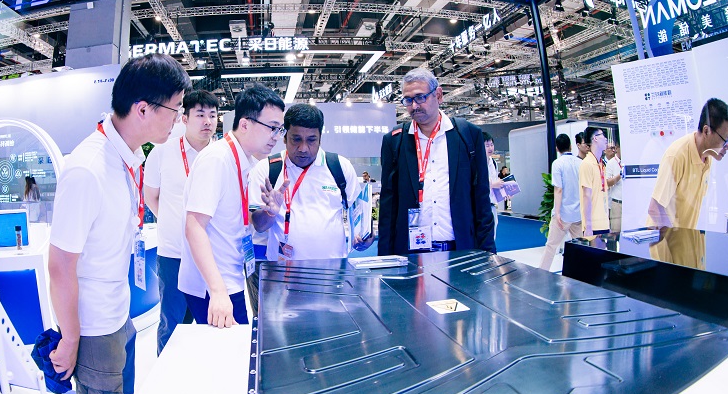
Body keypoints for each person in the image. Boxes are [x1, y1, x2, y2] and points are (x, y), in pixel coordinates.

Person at [47, 54, 190, 394]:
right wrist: (70, 339)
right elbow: (60, 266)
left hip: (117, 315)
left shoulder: (125, 158)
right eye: (175, 110)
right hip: (93, 327)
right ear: (143, 109)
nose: (178, 120)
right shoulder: (88, 169)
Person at [178, 84, 285, 328]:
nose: (276, 137)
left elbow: (236, 221)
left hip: (228, 277)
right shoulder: (217, 159)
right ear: (245, 124)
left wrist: (269, 212)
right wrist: (217, 291)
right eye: (272, 128)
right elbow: (194, 226)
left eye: (280, 129)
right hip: (213, 286)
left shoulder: (242, 161)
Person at [378, 67, 495, 255]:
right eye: (408, 100)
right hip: (411, 253)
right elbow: (388, 205)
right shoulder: (394, 141)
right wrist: (385, 257)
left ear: (438, 95)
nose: (414, 106)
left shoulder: (468, 135)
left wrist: (488, 254)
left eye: (420, 97)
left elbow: (481, 199)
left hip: (459, 250)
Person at [249, 102, 371, 270]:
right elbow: (259, 226)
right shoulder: (267, 169)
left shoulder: (339, 167)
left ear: (320, 138)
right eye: (296, 139)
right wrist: (270, 212)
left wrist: (364, 236)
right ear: (285, 137)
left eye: (311, 140)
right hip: (282, 271)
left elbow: (358, 215)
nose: (303, 148)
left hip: (332, 271)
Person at [144, 89, 219, 355]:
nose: (208, 121)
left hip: (211, 255)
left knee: (211, 321)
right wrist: (175, 222)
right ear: (184, 119)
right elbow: (151, 197)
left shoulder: (221, 156)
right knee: (172, 321)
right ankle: (165, 376)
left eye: (213, 115)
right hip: (173, 253)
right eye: (200, 115)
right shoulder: (162, 152)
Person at [647, 98, 728, 230]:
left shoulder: (707, 158)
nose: (727, 146)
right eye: (725, 140)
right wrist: (675, 238)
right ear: (706, 131)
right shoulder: (677, 155)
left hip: (685, 238)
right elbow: (655, 209)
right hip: (665, 240)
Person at [538, 134, 583, 271]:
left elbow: (558, 189)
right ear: (571, 146)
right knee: (580, 247)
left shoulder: (557, 164)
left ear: (557, 148)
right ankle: (582, 274)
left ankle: (542, 273)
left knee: (551, 246)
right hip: (578, 213)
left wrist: (557, 213)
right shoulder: (580, 163)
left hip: (562, 214)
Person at [579, 126, 610, 237]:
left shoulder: (600, 164)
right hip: (593, 226)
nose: (605, 139)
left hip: (604, 222)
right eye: (602, 135)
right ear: (595, 138)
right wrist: (588, 227)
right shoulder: (587, 164)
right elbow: (586, 195)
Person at [483, 131, 504, 236]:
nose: (490, 148)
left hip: (492, 205)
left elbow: (495, 183)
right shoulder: (476, 163)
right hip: (481, 206)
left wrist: (504, 191)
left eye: (491, 144)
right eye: (487, 145)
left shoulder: (494, 163)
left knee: (493, 234)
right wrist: (492, 184)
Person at [604, 141, 623, 233]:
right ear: (617, 148)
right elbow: (607, 183)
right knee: (616, 232)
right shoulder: (611, 163)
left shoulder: (630, 161)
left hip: (629, 203)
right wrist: (620, 175)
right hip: (617, 203)